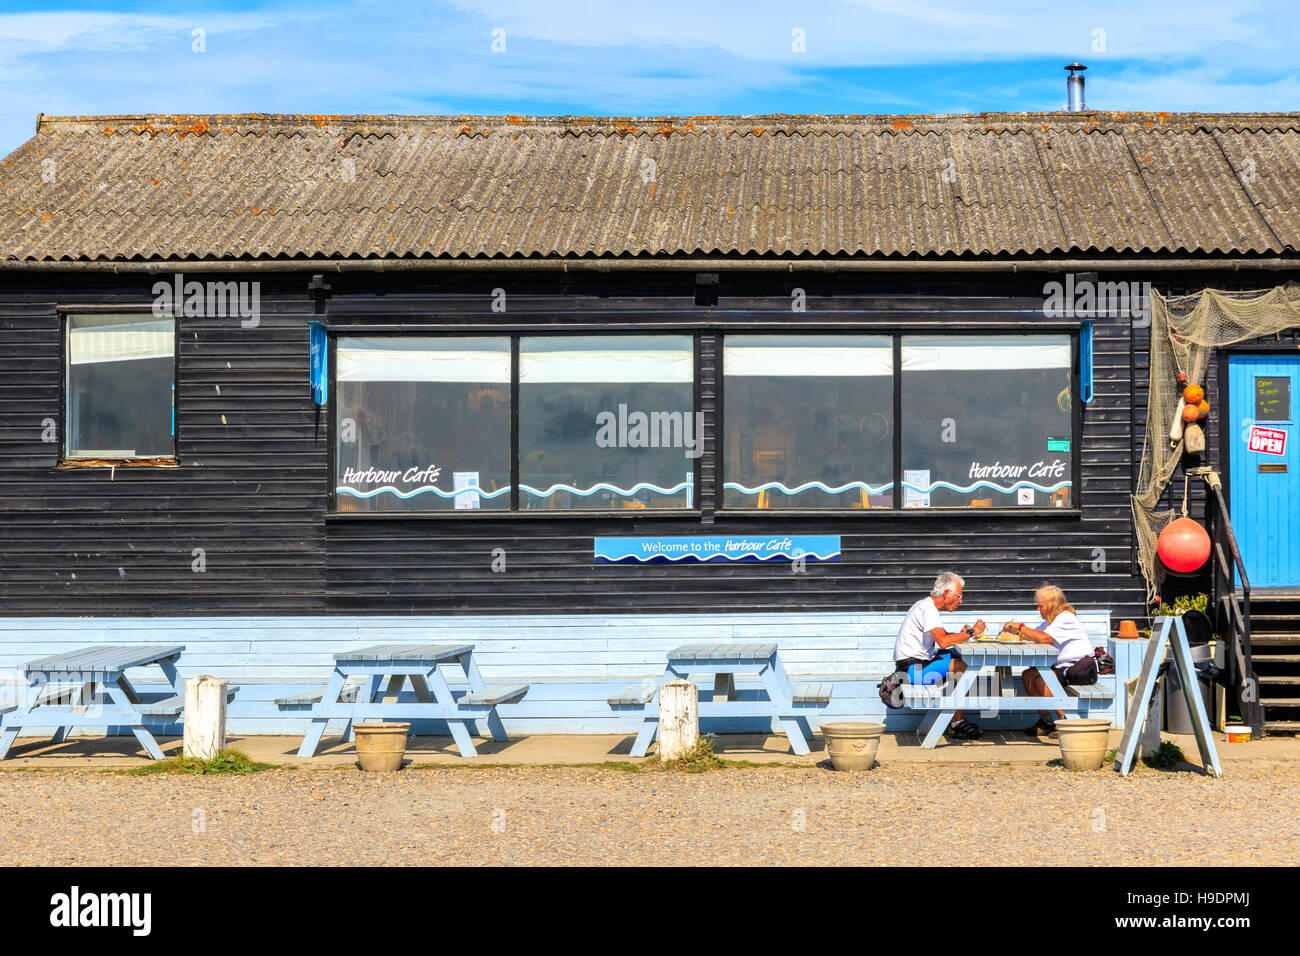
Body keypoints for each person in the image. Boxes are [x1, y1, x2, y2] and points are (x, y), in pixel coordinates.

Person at [893, 571, 987, 741]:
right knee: (962, 667)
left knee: (960, 660)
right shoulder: (928, 609)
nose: (961, 600)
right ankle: (957, 723)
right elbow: (943, 641)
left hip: (915, 666)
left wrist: (962, 634)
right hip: (911, 671)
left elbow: (942, 636)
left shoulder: (925, 605)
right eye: (959, 596)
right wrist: (972, 632)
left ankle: (955, 719)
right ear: (946, 593)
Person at [1005, 584, 1098, 738]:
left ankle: (1065, 721)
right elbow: (1035, 635)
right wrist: (1014, 632)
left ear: (1051, 606)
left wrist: (1020, 627)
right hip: (1062, 666)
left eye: (1040, 606)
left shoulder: (1065, 618)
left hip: (1077, 668)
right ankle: (1046, 721)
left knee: (1043, 678)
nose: (1038, 609)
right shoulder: (1051, 621)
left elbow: (1044, 638)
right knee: (1028, 675)